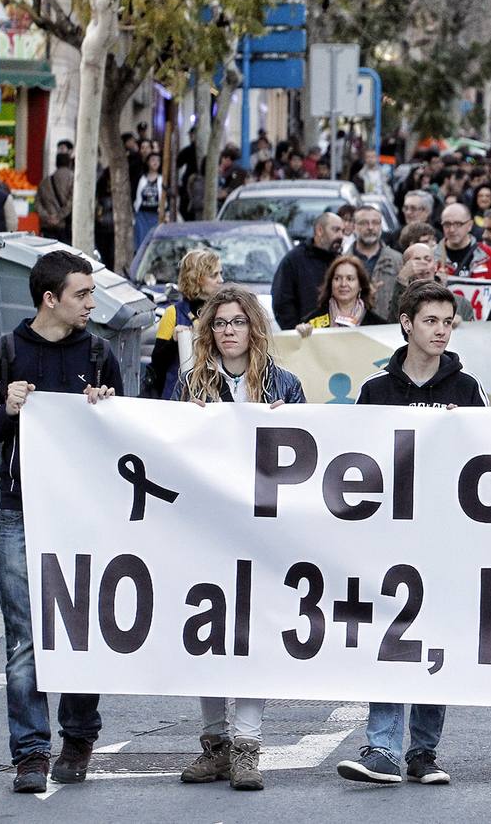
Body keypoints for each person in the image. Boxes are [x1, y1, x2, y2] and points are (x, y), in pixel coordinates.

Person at [0, 250, 122, 792]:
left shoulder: (100, 355)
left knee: (83, 627)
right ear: (50, 299)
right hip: (22, 511)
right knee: (24, 635)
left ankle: (78, 736)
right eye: (82, 294)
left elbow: (128, 434)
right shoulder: (3, 354)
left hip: (86, 514)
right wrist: (4, 410)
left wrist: (105, 408)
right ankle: (30, 752)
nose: (91, 303)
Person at [336, 280, 489, 787]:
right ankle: (381, 748)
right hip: (389, 536)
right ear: (406, 324)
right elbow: (353, 461)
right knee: (389, 635)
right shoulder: (375, 390)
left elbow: (489, 461)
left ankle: (424, 751)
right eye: (431, 321)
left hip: (444, 536)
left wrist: (460, 432)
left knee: (434, 637)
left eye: (448, 322)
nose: (442, 331)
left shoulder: (466, 390)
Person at [172, 286, 304, 791]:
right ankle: (215, 746)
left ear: (254, 328)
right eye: (221, 323)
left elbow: (306, 455)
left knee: (252, 635)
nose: (229, 331)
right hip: (207, 528)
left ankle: (247, 747)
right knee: (206, 633)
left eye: (238, 322)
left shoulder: (284, 384)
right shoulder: (191, 384)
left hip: (262, 529)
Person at [148, 248, 224, 398]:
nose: (220, 280)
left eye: (220, 273)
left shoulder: (223, 311)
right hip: (178, 399)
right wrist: (173, 341)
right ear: (197, 278)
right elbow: (157, 364)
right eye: (214, 275)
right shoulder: (173, 313)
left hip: (217, 396)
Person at [271, 212, 345, 330]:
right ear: (320, 230)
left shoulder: (341, 262)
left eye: (343, 231)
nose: (341, 236)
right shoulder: (294, 260)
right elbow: (282, 301)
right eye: (336, 230)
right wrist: (296, 331)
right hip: (306, 336)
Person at [380, 241, 475, 322]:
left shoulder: (461, 303)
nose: (423, 264)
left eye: (428, 259)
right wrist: (402, 279)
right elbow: (395, 325)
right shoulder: (397, 300)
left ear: (435, 265)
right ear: (405, 267)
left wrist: (461, 325)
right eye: (417, 260)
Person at [296, 255, 389, 335]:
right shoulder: (311, 321)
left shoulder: (378, 326)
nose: (343, 284)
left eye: (350, 279)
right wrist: (301, 333)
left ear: (360, 285)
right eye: (337, 278)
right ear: (330, 283)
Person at [349, 205, 403, 320]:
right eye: (364, 223)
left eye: (376, 223)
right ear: (353, 227)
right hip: (352, 328)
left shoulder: (397, 260)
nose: (370, 227)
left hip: (387, 329)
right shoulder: (343, 261)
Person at [435, 202, 491, 279]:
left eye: (458, 224)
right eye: (447, 224)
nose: (452, 229)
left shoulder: (488, 255)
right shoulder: (432, 257)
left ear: (470, 225)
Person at [35, 153, 75, 241]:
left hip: (47, 226)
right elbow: (71, 202)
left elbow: (37, 204)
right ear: (69, 163)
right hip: (65, 225)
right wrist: (59, 217)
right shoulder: (73, 179)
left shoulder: (45, 182)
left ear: (56, 163)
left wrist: (48, 217)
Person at [132, 151, 164, 250]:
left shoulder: (162, 179)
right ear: (148, 162)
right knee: (142, 243)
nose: (155, 162)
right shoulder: (141, 179)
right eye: (153, 160)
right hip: (142, 216)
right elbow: (136, 196)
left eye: (158, 160)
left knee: (155, 242)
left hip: (156, 216)